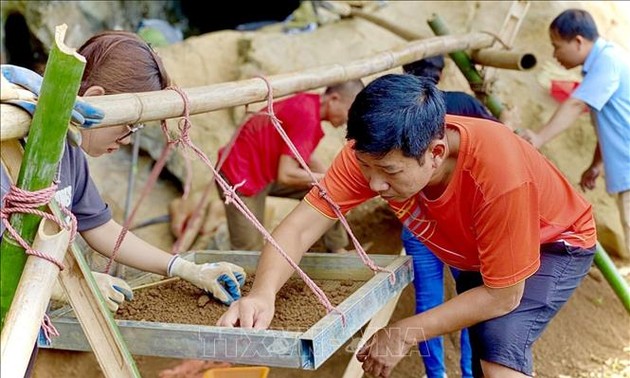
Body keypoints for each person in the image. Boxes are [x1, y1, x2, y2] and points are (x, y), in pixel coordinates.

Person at [218, 74, 597, 378]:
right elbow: (299, 228)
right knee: (484, 344)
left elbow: (503, 296)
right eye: (367, 168)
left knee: (499, 353)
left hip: (555, 242)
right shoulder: (372, 155)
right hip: (475, 250)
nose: (375, 185)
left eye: (389, 172)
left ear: (435, 153)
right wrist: (262, 294)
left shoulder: (499, 177)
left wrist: (402, 332)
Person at [1, 31, 246, 313]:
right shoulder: (7, 151)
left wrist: (185, 268)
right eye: (129, 124)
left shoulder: (67, 149)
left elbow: (99, 227)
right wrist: (72, 284)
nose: (128, 139)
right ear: (96, 98)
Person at [170, 79, 365, 253]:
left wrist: (329, 177)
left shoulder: (308, 105)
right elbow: (286, 175)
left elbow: (301, 152)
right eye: (351, 112)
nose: (350, 120)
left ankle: (337, 248)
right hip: (240, 179)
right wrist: (326, 179)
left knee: (331, 191)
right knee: (249, 252)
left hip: (264, 173)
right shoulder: (307, 115)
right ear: (334, 99)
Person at [400, 55, 505, 378]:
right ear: (441, 72)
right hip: (464, 222)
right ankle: (470, 373)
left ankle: (436, 375)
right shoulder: (463, 104)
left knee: (428, 303)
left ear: (406, 72)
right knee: (473, 301)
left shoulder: (398, 115)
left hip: (418, 223)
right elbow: (502, 142)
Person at [522, 9, 630, 260]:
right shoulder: (605, 62)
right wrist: (597, 164)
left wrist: (538, 138)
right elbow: (612, 121)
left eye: (557, 46)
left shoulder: (607, 61)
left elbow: (576, 104)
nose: (554, 54)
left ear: (578, 41)